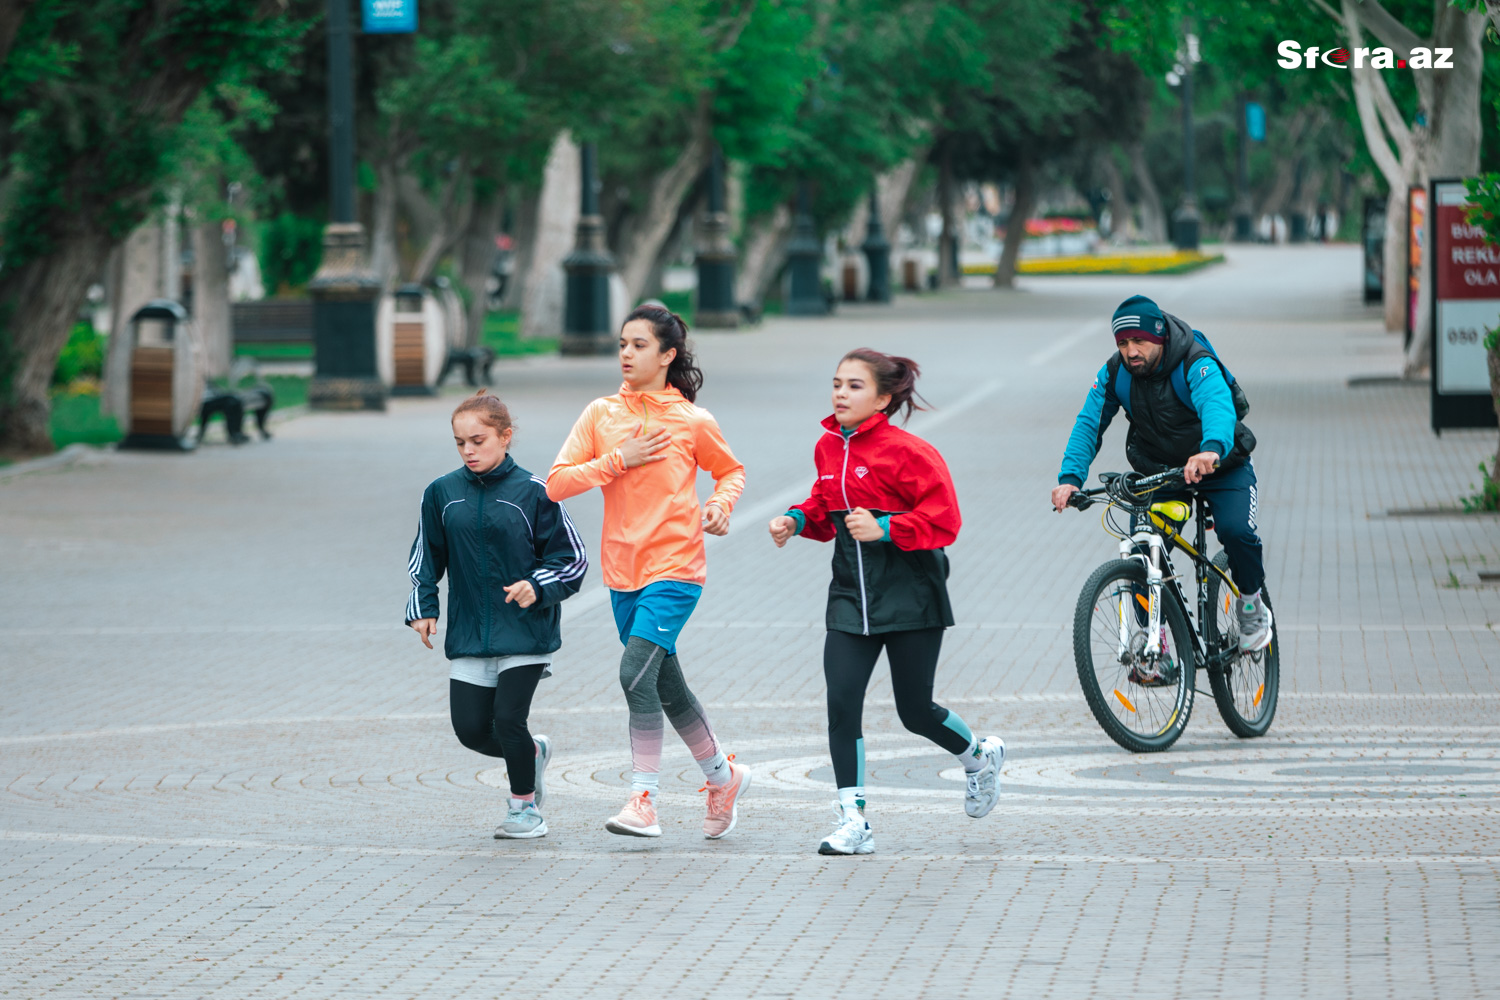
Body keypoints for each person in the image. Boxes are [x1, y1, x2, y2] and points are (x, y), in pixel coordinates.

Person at [768, 348, 1004, 857]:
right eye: (836, 383)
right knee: (841, 705)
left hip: (911, 597)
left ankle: (979, 757)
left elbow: (946, 520)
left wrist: (886, 528)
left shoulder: (911, 453)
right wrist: (796, 519)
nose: (840, 393)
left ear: (882, 398)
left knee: (914, 711)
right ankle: (854, 821)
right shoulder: (828, 447)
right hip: (850, 598)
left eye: (854, 386)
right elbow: (821, 500)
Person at [546, 305, 751, 840]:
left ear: (667, 355)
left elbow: (729, 470)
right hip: (622, 571)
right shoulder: (600, 415)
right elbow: (557, 483)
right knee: (666, 687)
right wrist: (620, 458)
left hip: (676, 567)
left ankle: (644, 800)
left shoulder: (692, 420)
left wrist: (721, 506)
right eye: (622, 344)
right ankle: (723, 778)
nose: (627, 354)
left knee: (633, 672)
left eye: (639, 345)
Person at [406, 390, 589, 840]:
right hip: (469, 631)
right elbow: (425, 556)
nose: (469, 450)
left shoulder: (536, 492)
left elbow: (573, 558)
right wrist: (423, 607)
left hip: (525, 630)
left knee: (509, 718)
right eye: (460, 443)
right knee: (470, 730)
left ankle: (524, 810)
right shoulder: (441, 493)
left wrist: (537, 586)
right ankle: (532, 753)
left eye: (479, 440)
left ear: (505, 437)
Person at [1050, 294, 1272, 651]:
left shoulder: (1194, 360)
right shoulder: (1115, 373)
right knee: (1143, 551)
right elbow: (1089, 423)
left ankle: (1251, 604)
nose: (1131, 351)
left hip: (1221, 465)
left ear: (1160, 337)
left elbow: (1216, 403)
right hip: (1165, 473)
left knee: (1235, 531)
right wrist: (1070, 479)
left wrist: (1211, 449)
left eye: (1139, 341)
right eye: (1123, 343)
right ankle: (1160, 644)